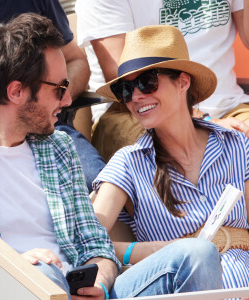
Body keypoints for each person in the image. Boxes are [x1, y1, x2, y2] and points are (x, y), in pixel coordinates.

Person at [0, 13, 224, 299]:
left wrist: (100, 282)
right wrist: (16, 267)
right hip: (16, 288)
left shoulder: (59, 147)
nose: (68, 100)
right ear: (16, 91)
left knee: (198, 253)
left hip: (76, 288)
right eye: (59, 89)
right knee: (42, 273)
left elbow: (97, 247)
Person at [92, 24, 249, 292]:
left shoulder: (236, 146)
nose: (137, 96)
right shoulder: (129, 162)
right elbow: (85, 237)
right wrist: (151, 251)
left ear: (183, 81)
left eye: (147, 82)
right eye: (125, 90)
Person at [0, 0, 105, 192]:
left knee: (99, 185)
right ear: (14, 90)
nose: (67, 100)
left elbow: (76, 60)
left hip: (50, 125)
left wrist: (53, 96)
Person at [76, 0, 249, 162]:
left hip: (229, 107)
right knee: (188, 151)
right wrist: (208, 125)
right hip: (137, 113)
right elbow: (124, 76)